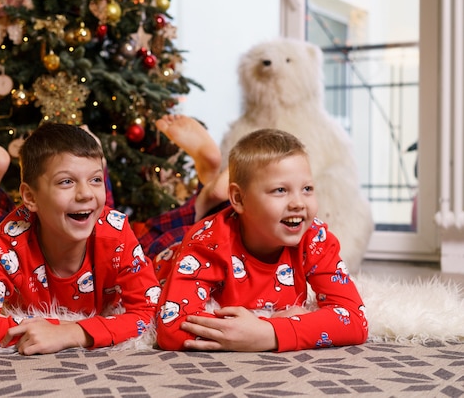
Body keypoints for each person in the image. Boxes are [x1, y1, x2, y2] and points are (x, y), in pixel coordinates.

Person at [0, 113, 226, 354]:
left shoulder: (114, 231)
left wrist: (74, 332)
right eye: (66, 181)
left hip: (102, 238)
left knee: (125, 230)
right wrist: (47, 328)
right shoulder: (11, 243)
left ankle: (199, 198)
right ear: (29, 197)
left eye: (95, 179)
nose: (84, 193)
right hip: (28, 246)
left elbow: (149, 313)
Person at [155, 128, 368, 352]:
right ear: (238, 198)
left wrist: (269, 332)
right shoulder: (206, 244)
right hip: (166, 255)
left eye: (307, 189)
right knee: (159, 233)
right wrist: (267, 330)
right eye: (280, 190)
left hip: (245, 221)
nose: (299, 203)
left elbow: (355, 319)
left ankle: (209, 194)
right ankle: (205, 195)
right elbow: (170, 329)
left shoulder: (314, 237)